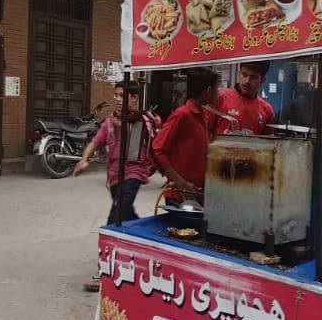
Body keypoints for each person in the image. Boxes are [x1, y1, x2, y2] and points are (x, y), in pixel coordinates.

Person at [73, 80, 155, 291]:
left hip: (133, 174)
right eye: (116, 95)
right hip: (114, 178)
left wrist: (126, 125)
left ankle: (105, 272)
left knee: (114, 218)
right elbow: (94, 142)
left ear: (134, 98)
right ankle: (150, 249)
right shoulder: (110, 122)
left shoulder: (144, 121)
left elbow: (148, 143)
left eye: (122, 95)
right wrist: (84, 159)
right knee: (126, 215)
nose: (117, 99)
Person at [153, 67, 219, 204]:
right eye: (217, 88)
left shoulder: (203, 116)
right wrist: (181, 183)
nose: (219, 93)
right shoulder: (182, 115)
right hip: (180, 198)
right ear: (208, 90)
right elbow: (157, 151)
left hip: (198, 197)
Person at [207, 61, 274, 136]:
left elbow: (268, 143)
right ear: (239, 73)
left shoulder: (267, 110)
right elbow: (206, 131)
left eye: (253, 77)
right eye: (244, 74)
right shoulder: (219, 98)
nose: (247, 81)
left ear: (262, 81)